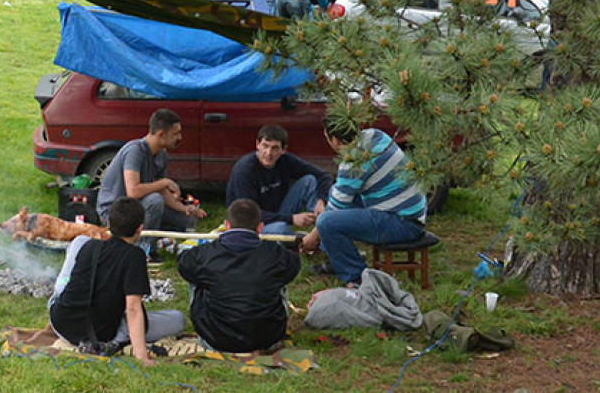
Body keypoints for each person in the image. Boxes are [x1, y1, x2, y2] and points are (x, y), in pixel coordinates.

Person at [49, 197, 185, 366]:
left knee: (80, 241)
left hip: (61, 322)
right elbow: (133, 309)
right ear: (140, 229)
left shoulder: (90, 246)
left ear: (108, 223)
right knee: (178, 320)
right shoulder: (134, 257)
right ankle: (120, 339)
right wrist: (142, 356)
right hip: (100, 334)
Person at [300, 116, 427, 287]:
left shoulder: (352, 163)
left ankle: (357, 277)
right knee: (334, 196)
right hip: (410, 210)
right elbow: (340, 197)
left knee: (326, 222)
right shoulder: (375, 135)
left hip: (403, 223)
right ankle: (336, 257)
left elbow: (334, 210)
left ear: (335, 140)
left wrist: (311, 238)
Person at [178, 199, 301, 353]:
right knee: (279, 277)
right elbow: (294, 265)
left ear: (226, 225)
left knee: (196, 276)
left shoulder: (203, 255)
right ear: (260, 227)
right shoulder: (278, 256)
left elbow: (182, 263)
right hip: (268, 340)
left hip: (215, 341)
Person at [96, 109, 207, 259]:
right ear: (161, 134)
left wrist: (184, 208)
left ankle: (153, 236)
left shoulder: (161, 154)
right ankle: (144, 251)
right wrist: (165, 182)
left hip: (138, 207)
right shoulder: (134, 150)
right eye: (175, 134)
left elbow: (161, 190)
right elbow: (133, 191)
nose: (180, 137)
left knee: (186, 221)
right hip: (116, 212)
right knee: (155, 200)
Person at [226, 124, 332, 236]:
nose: (269, 153)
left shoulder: (285, 160)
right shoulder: (244, 171)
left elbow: (324, 176)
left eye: (275, 148)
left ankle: (322, 228)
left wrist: (321, 201)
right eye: (265, 146)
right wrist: (291, 219)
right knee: (280, 229)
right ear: (257, 144)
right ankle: (299, 241)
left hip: (278, 212)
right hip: (252, 223)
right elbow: (248, 213)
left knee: (309, 181)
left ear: (283, 150)